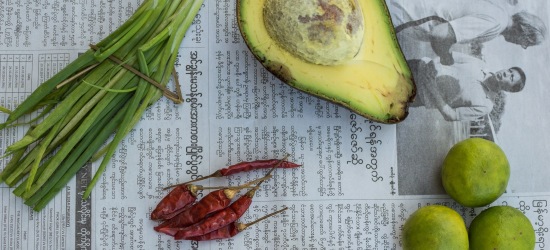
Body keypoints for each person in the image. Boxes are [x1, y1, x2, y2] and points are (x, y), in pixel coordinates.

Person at [389, 0, 547, 65]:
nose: (522, 45)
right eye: (526, 43)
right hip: (403, 14)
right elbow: (440, 33)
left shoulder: (498, 7)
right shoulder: (496, 23)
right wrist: (446, 58)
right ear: (524, 32)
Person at [409, 52, 526, 121]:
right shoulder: (480, 64)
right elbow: (451, 56)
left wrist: (432, 90)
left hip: (419, 95)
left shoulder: (486, 106)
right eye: (510, 70)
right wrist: (432, 63)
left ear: (509, 90)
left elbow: (452, 116)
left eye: (511, 78)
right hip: (418, 66)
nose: (506, 73)